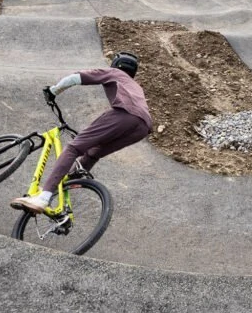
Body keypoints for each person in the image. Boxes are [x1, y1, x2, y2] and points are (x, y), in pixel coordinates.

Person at [10, 51, 153, 214]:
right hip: (143, 127)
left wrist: (53, 91)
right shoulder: (136, 86)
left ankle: (44, 197)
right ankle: (67, 185)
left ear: (116, 65)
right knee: (93, 153)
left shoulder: (114, 73)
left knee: (73, 148)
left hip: (125, 114)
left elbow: (77, 77)